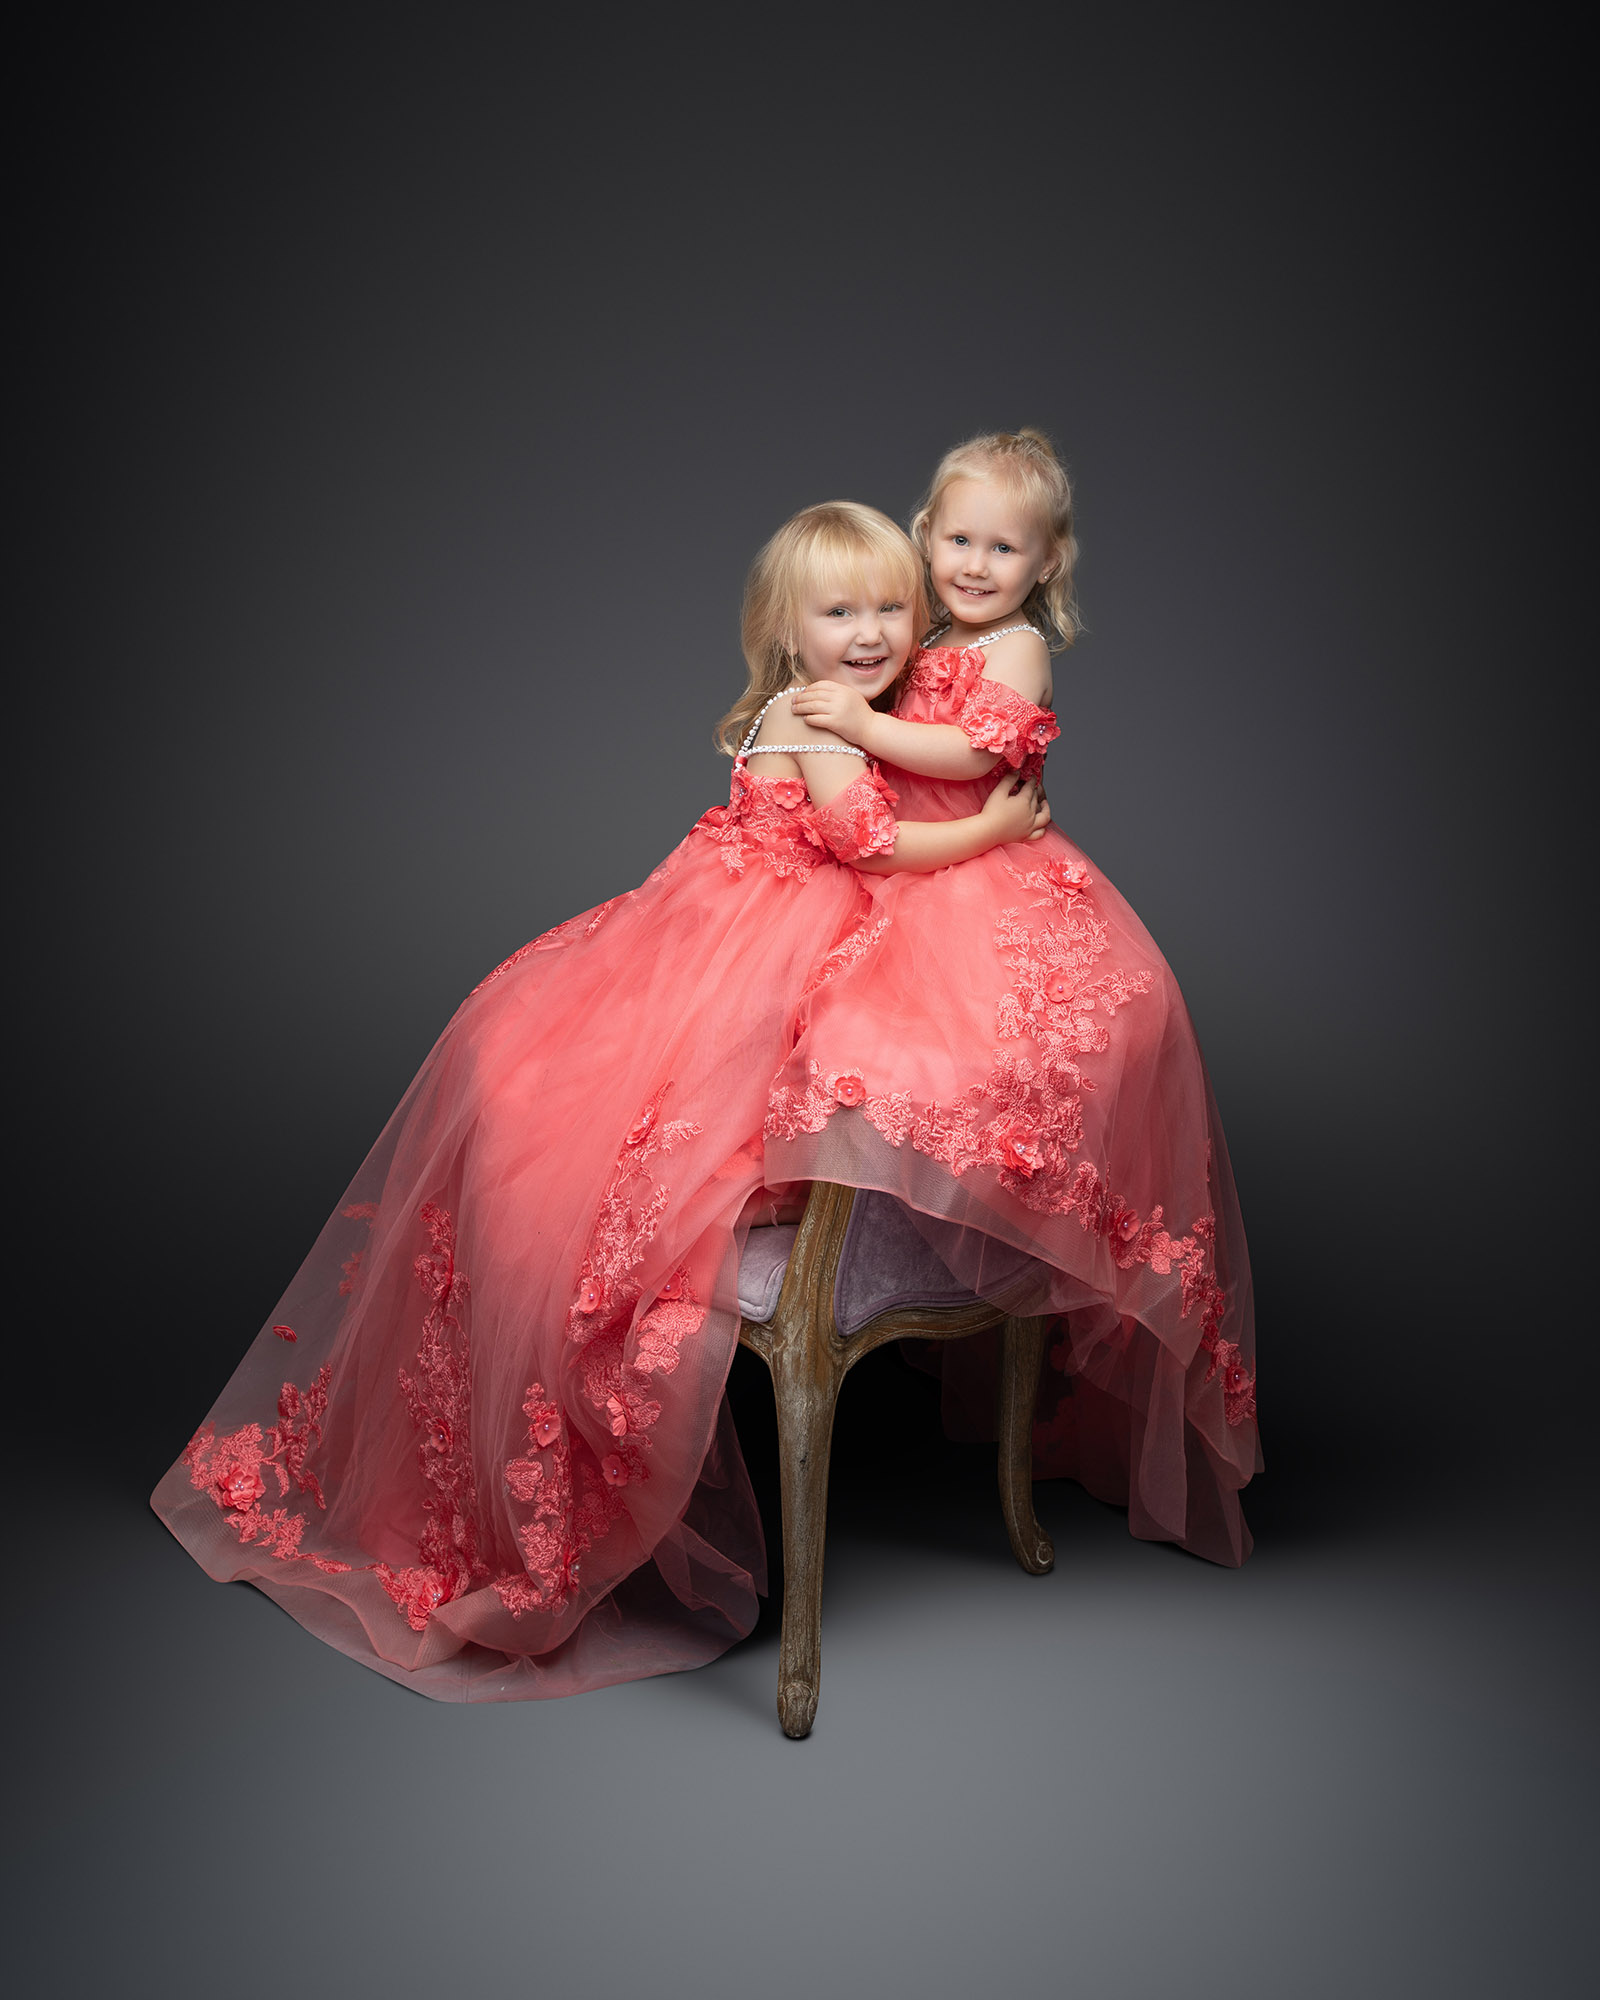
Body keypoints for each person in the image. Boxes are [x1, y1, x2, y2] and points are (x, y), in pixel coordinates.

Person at [151, 501, 1047, 1701]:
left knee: (789, 1059)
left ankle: (772, 1194)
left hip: (734, 925)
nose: (873, 632)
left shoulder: (845, 707)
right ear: (787, 631)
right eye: (841, 612)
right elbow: (876, 850)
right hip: (745, 939)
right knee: (719, 1079)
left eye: (893, 607)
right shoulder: (814, 716)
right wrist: (998, 822)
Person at [766, 431, 1260, 1565]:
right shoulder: (922, 632)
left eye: (1004, 545)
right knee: (839, 1028)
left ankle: (970, 1259)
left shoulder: (1022, 650)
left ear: (1046, 562)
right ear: (925, 535)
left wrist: (861, 724)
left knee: (991, 1046)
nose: (976, 562)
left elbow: (957, 757)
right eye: (956, 538)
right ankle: (828, 1231)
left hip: (986, 884)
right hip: (912, 874)